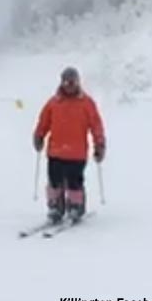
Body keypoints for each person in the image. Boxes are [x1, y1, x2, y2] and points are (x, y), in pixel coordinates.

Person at [34, 67, 106, 223]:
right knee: (54, 181)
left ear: (77, 82)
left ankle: (75, 206)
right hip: (55, 151)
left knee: (74, 181)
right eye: (66, 82)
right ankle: (55, 207)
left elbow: (96, 125)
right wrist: (39, 136)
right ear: (61, 82)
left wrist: (99, 144)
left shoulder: (86, 103)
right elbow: (43, 122)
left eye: (72, 82)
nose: (69, 85)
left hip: (76, 153)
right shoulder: (53, 103)